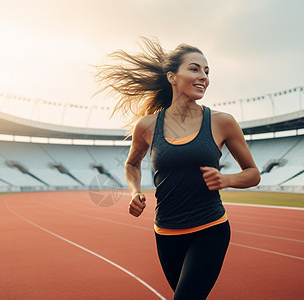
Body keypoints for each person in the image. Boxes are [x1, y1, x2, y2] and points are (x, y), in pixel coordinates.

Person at [95, 37, 261, 300]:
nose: (204, 76)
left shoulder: (222, 122)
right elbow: (132, 164)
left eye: (207, 71)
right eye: (195, 69)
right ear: (172, 76)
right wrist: (134, 192)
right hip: (166, 232)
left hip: (210, 228)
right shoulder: (147, 126)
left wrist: (226, 179)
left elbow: (253, 173)